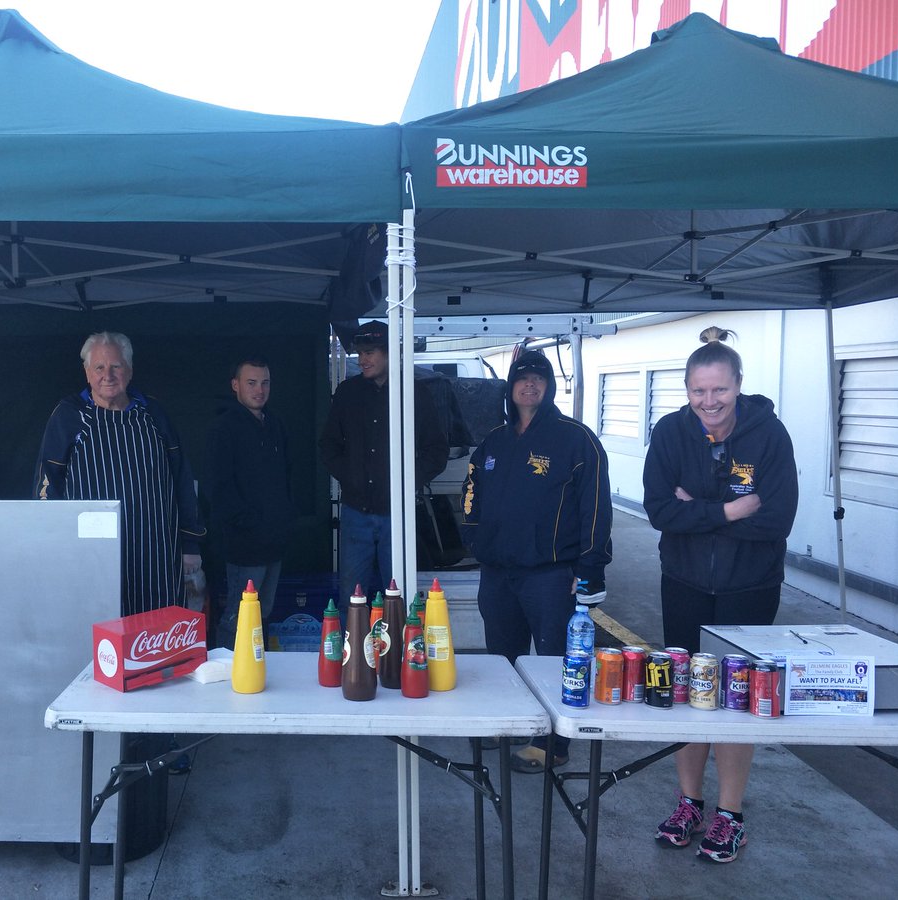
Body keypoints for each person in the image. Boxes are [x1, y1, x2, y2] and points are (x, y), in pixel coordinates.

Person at [645, 326, 798, 864]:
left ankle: (729, 815)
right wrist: (731, 509)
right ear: (686, 390)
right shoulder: (669, 433)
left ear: (738, 386)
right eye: (698, 391)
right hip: (683, 582)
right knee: (686, 692)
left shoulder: (769, 436)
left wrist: (698, 514)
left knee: (737, 699)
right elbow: (660, 511)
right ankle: (689, 804)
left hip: (749, 588)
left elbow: (777, 519)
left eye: (720, 391)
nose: (709, 402)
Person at [461, 349, 612, 773]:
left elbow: (596, 507)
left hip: (551, 575)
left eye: (539, 378)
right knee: (501, 657)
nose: (530, 385)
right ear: (510, 387)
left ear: (548, 387)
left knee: (551, 660)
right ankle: (505, 723)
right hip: (497, 573)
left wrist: (590, 566)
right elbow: (471, 491)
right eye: (522, 377)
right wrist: (473, 537)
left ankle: (552, 745)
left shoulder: (574, 439)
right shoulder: (495, 440)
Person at [34, 331, 205, 616]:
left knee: (157, 635)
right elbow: (47, 483)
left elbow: (182, 479)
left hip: (157, 551)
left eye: (116, 366)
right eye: (99, 367)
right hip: (92, 553)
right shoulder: (69, 415)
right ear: (87, 372)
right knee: (100, 632)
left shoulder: (154, 413)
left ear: (129, 370)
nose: (108, 375)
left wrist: (190, 542)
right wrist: (54, 544)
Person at [318, 320, 448, 599]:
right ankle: (350, 644)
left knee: (398, 595)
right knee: (351, 596)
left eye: (369, 352)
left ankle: (401, 644)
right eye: (360, 353)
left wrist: (406, 481)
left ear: (390, 352)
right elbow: (328, 445)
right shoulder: (347, 393)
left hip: (398, 515)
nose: (362, 359)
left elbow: (436, 450)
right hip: (355, 512)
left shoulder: (415, 393)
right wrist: (350, 477)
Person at [204, 356, 296, 648]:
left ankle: (254, 673)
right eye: (251, 383)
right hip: (244, 546)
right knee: (237, 616)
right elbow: (217, 488)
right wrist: (247, 524)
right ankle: (225, 677)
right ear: (236, 385)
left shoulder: (275, 424)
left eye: (265, 382)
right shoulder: (224, 428)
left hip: (274, 542)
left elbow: (286, 477)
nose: (259, 390)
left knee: (262, 615)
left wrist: (283, 519)